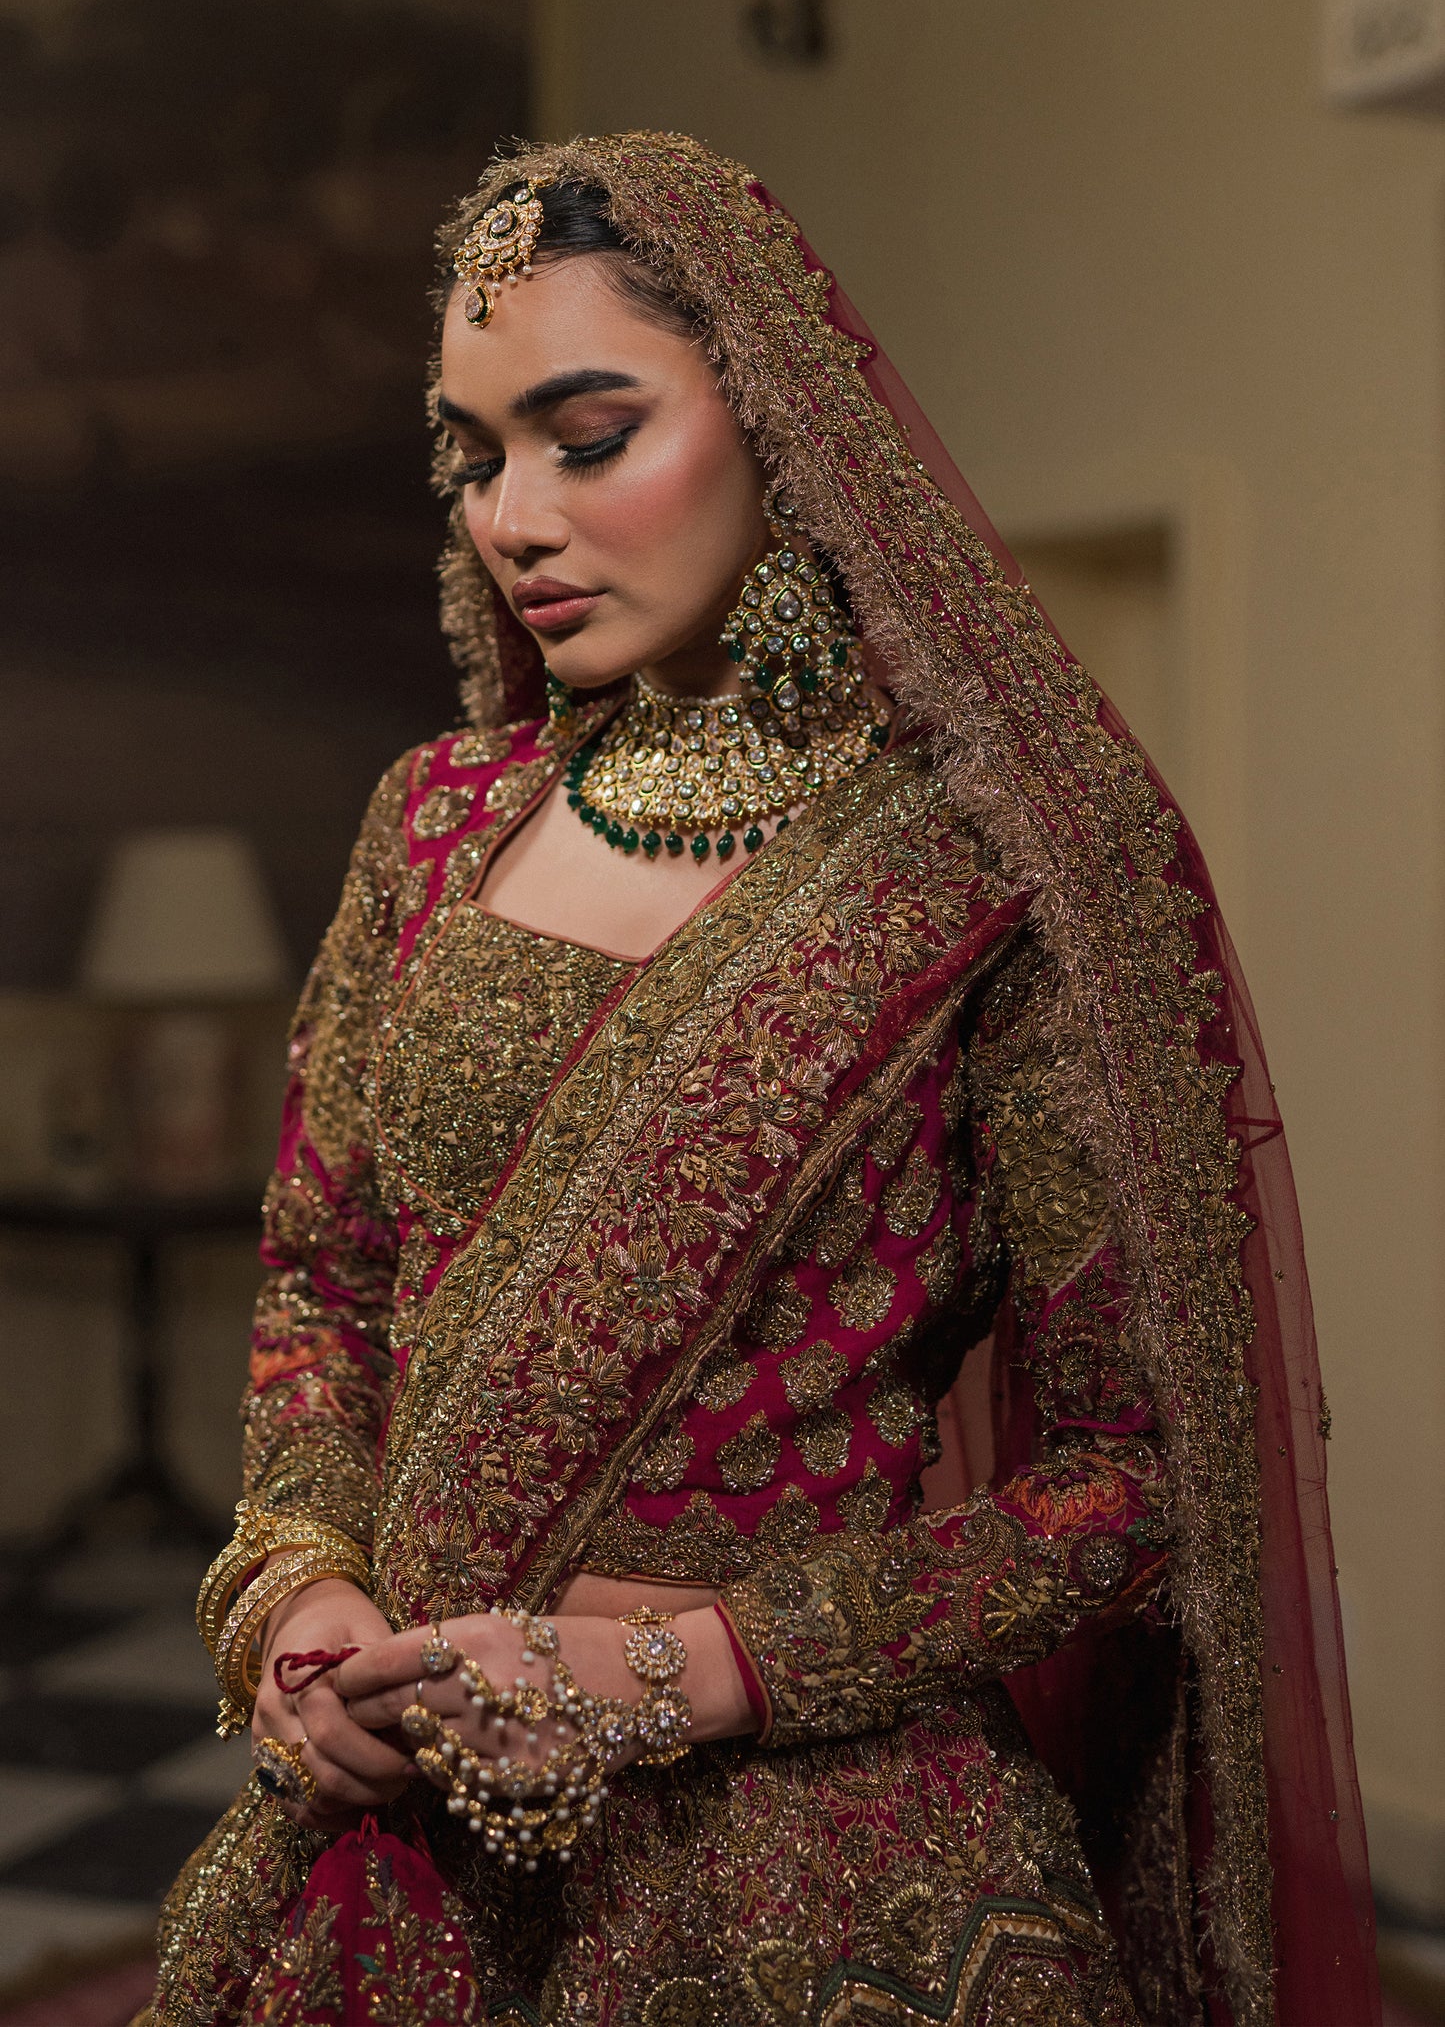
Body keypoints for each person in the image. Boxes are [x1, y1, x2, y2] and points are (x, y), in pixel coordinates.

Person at [141, 133, 1377, 2027]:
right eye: (475, 457)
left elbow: (1134, 1480)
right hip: (391, 1843)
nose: (512, 519)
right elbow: (331, 1281)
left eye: (587, 432)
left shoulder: (991, 869)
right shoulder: (436, 820)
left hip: (815, 1862)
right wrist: (302, 1597)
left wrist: (700, 1668)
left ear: (782, 424)